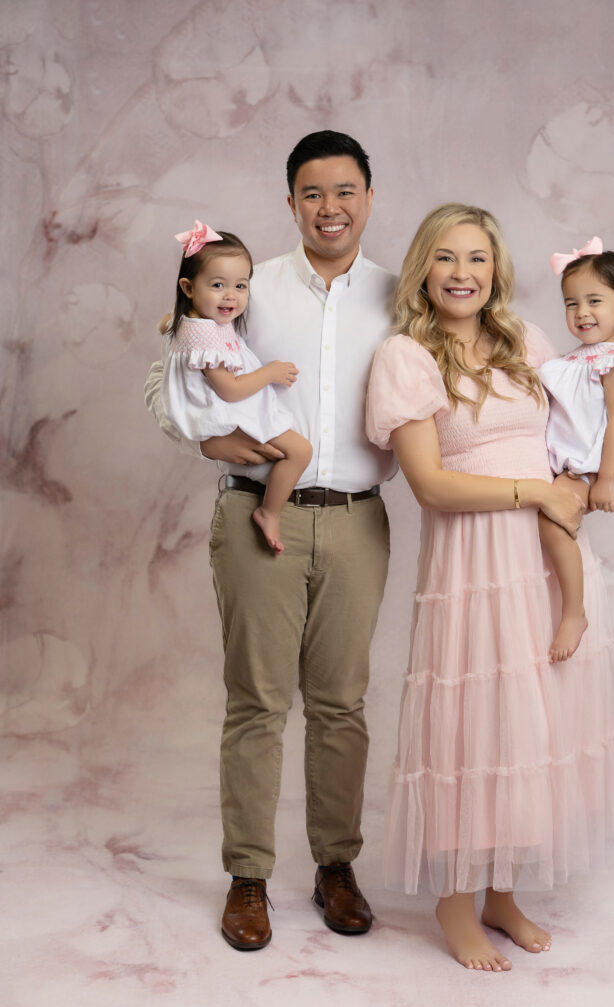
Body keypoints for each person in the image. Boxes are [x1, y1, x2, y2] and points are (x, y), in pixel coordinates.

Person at [144, 132, 396, 950]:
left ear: (368, 197)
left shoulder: (400, 295)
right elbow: (165, 379)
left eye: (345, 190)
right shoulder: (247, 284)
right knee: (256, 701)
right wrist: (209, 443)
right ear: (291, 202)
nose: (330, 208)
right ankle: (247, 877)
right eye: (312, 193)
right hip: (257, 511)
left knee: (340, 704)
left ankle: (336, 866)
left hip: (357, 519)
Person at [366, 203, 614, 972]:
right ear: (423, 268)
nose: (462, 274)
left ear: (495, 270)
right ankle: (454, 900)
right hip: (473, 562)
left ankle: (501, 892)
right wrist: (531, 493)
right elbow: (429, 484)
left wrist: (576, 483)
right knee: (471, 724)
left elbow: (572, 431)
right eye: (445, 258)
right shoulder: (406, 357)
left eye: (476, 258)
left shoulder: (525, 342)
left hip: (543, 557)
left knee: (530, 724)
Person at [161, 221, 311, 552]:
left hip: (229, 403)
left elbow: (168, 323)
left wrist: (172, 321)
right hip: (230, 409)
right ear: (188, 288)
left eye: (241, 285)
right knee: (300, 451)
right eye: (218, 285)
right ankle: (269, 512)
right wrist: (270, 372)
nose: (231, 295)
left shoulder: (198, 320)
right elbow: (229, 390)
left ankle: (269, 510)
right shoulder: (207, 336)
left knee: (293, 450)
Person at [538, 239, 614, 661]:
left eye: (594, 301)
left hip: (583, 470)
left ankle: (574, 613)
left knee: (552, 525)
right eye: (571, 303)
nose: (581, 312)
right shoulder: (582, 357)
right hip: (559, 467)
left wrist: (606, 480)